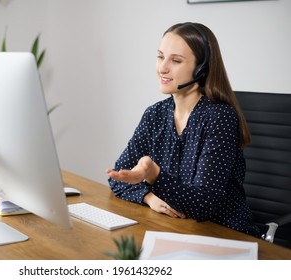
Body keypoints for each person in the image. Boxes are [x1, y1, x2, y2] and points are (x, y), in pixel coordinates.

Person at [106, 22, 261, 237]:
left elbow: (202, 206)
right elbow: (118, 177)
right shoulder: (155, 115)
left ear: (201, 69)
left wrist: (154, 175)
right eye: (160, 57)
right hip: (174, 230)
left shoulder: (219, 118)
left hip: (221, 233)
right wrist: (148, 198)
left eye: (176, 60)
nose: (162, 68)